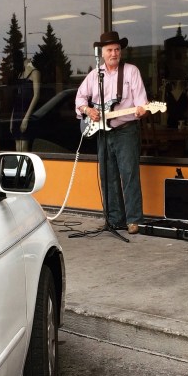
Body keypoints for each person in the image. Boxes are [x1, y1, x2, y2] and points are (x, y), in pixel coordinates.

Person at [75, 30, 148, 234]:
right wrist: (88, 110)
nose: (114, 53)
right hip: (103, 132)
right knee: (107, 176)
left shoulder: (131, 71)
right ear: (103, 52)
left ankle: (135, 220)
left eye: (117, 49)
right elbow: (80, 98)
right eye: (110, 50)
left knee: (129, 174)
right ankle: (115, 220)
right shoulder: (95, 74)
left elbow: (141, 101)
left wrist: (142, 109)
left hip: (126, 129)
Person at [10, 50, 41, 152]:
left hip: (27, 111)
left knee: (24, 145)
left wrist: (26, 118)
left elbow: (36, 95)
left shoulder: (35, 73)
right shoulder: (20, 74)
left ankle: (25, 167)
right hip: (17, 112)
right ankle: (20, 167)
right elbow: (16, 98)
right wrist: (11, 119)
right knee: (17, 145)